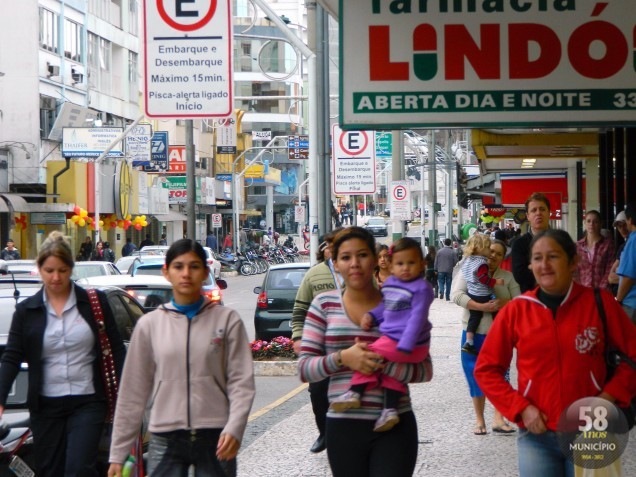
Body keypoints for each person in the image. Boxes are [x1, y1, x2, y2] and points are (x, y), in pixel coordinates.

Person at [475, 229, 636, 477]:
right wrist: (521, 408)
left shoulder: (600, 303)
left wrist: (608, 397)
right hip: (536, 436)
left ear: (573, 262)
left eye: (553, 256)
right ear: (530, 265)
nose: (545, 265)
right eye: (538, 258)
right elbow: (486, 369)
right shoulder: (517, 311)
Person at [108, 239, 255, 477]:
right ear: (167, 272)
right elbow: (132, 392)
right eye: (178, 266)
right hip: (165, 438)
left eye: (194, 266)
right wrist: (118, 453)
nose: (186, 273)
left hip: (216, 436)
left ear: (206, 272)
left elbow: (242, 383)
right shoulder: (149, 325)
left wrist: (235, 427)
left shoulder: (227, 321)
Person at [298, 227, 432, 477]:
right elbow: (305, 368)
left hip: (395, 425)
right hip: (343, 427)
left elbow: (425, 370)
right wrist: (343, 358)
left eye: (362, 255)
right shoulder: (323, 304)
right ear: (335, 263)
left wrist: (381, 363)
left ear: (377, 259)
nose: (355, 264)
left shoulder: (402, 299)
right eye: (345, 257)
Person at [0, 231, 126, 476]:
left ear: (71, 268)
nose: (56, 277)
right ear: (39, 269)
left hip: (88, 402)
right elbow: (12, 357)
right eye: (49, 271)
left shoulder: (94, 303)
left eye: (62, 270)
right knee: (50, 469)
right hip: (46, 406)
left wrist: (126, 393)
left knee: (78, 468)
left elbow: (117, 349)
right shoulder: (28, 311)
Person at [329, 238, 433, 433]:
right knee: (391, 373)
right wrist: (372, 316)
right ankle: (390, 410)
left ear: (422, 264)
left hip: (408, 343)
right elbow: (385, 307)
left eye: (411, 263)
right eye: (400, 264)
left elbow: (418, 317)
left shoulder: (421, 288)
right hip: (398, 342)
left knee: (368, 353)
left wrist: (406, 343)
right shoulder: (391, 284)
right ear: (390, 266)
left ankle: (355, 392)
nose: (405, 268)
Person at [451, 239, 520, 436]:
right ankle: (479, 419)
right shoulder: (470, 269)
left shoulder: (507, 277)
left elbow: (519, 301)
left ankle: (499, 418)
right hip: (472, 333)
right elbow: (455, 295)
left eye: (499, 254)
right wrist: (481, 307)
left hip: (499, 335)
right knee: (474, 374)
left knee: (501, 376)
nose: (493, 256)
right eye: (491, 251)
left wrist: (504, 302)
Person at [291, 230, 340, 453]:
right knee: (318, 393)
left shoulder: (361, 273)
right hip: (320, 344)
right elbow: (300, 309)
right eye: (330, 245)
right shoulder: (315, 274)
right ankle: (325, 434)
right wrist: (298, 337)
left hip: (353, 344)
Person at [511, 192, 551, 292]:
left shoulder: (560, 240)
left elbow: (565, 271)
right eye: (534, 210)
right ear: (528, 216)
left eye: (542, 209)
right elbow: (520, 276)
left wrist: (532, 266)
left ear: (548, 213)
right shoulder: (519, 244)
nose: (538, 213)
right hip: (530, 299)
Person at [574, 210, 615, 290]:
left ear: (600, 224)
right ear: (585, 223)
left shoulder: (608, 244)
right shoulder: (577, 246)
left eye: (595, 221)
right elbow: (575, 270)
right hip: (582, 291)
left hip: (602, 291)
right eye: (588, 221)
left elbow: (609, 269)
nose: (591, 224)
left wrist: (600, 291)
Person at [616, 202, 636, 323]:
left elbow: (628, 277)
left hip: (631, 304)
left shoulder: (633, 241)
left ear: (629, 220)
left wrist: (618, 300)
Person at [608, 211, 629, 296]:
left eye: (624, 225)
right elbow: (611, 277)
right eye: (619, 226)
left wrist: (621, 274)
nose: (622, 229)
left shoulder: (632, 245)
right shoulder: (622, 247)